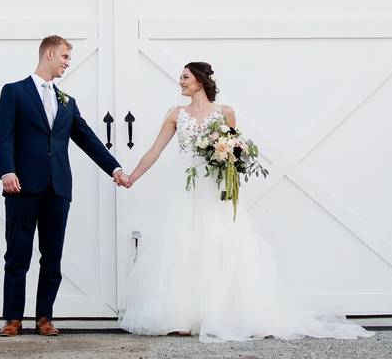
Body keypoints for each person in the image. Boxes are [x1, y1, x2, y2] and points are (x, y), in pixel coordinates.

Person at [118, 61, 375, 343]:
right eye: (180, 77)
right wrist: (132, 177)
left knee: (223, 243)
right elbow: (155, 150)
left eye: (185, 77)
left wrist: (230, 179)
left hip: (216, 189)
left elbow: (232, 153)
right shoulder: (175, 114)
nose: (180, 82)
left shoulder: (225, 112)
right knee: (184, 243)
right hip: (185, 187)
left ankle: (226, 312)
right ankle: (182, 315)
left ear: (201, 81)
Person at [0, 35, 130, 337]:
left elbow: (88, 139)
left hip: (58, 188)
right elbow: (3, 136)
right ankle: (12, 319)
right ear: (50, 54)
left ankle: (44, 317)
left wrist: (115, 168)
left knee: (52, 256)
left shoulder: (67, 101)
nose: (68, 63)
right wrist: (6, 171)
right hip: (21, 187)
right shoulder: (14, 92)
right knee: (17, 254)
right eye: (65, 57)